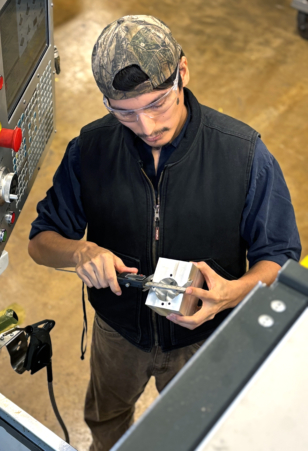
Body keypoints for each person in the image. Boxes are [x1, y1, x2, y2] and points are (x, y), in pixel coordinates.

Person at [28, 15, 301, 451]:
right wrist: (79, 252)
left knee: (200, 433)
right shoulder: (91, 150)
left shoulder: (241, 152)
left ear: (183, 73)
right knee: (106, 420)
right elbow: (41, 241)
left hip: (204, 338)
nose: (148, 127)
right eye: (126, 114)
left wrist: (234, 293)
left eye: (158, 104)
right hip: (118, 335)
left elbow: (281, 257)